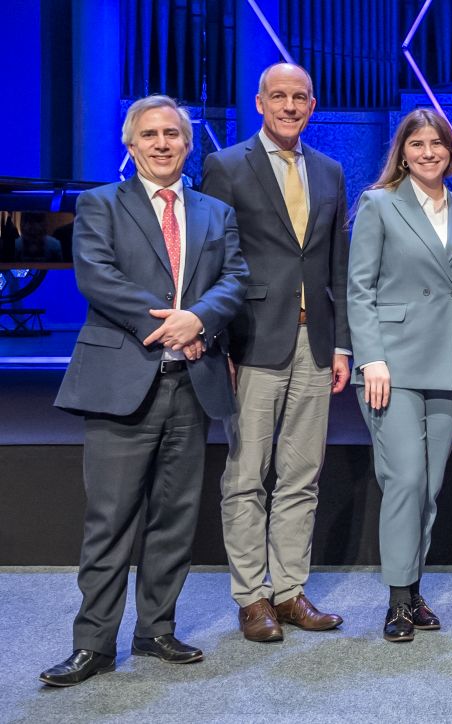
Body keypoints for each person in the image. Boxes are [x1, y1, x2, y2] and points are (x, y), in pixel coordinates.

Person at [40, 95, 247, 686]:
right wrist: (172, 324)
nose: (162, 143)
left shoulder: (214, 213)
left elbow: (236, 278)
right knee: (110, 519)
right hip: (121, 381)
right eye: (150, 134)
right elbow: (96, 276)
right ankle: (93, 644)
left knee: (175, 518)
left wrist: (200, 319)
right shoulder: (100, 203)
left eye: (173, 134)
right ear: (130, 146)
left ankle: (156, 629)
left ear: (188, 144)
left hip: (193, 382)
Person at [202, 62, 351, 642]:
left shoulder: (331, 170)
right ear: (260, 102)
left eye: (301, 97)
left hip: (316, 343)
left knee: (301, 475)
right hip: (252, 341)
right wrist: (222, 344)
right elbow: (213, 260)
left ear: (312, 106)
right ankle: (251, 597)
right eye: (279, 96)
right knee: (245, 475)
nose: (290, 106)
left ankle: (289, 590)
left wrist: (342, 342)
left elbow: (335, 262)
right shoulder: (226, 165)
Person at [347, 109, 452, 642]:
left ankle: (412, 591)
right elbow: (358, 288)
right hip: (393, 364)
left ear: (451, 151)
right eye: (418, 144)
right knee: (405, 480)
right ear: (403, 152)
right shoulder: (378, 204)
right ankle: (395, 601)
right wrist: (371, 358)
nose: (429, 152)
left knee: (428, 488)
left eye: (437, 143)